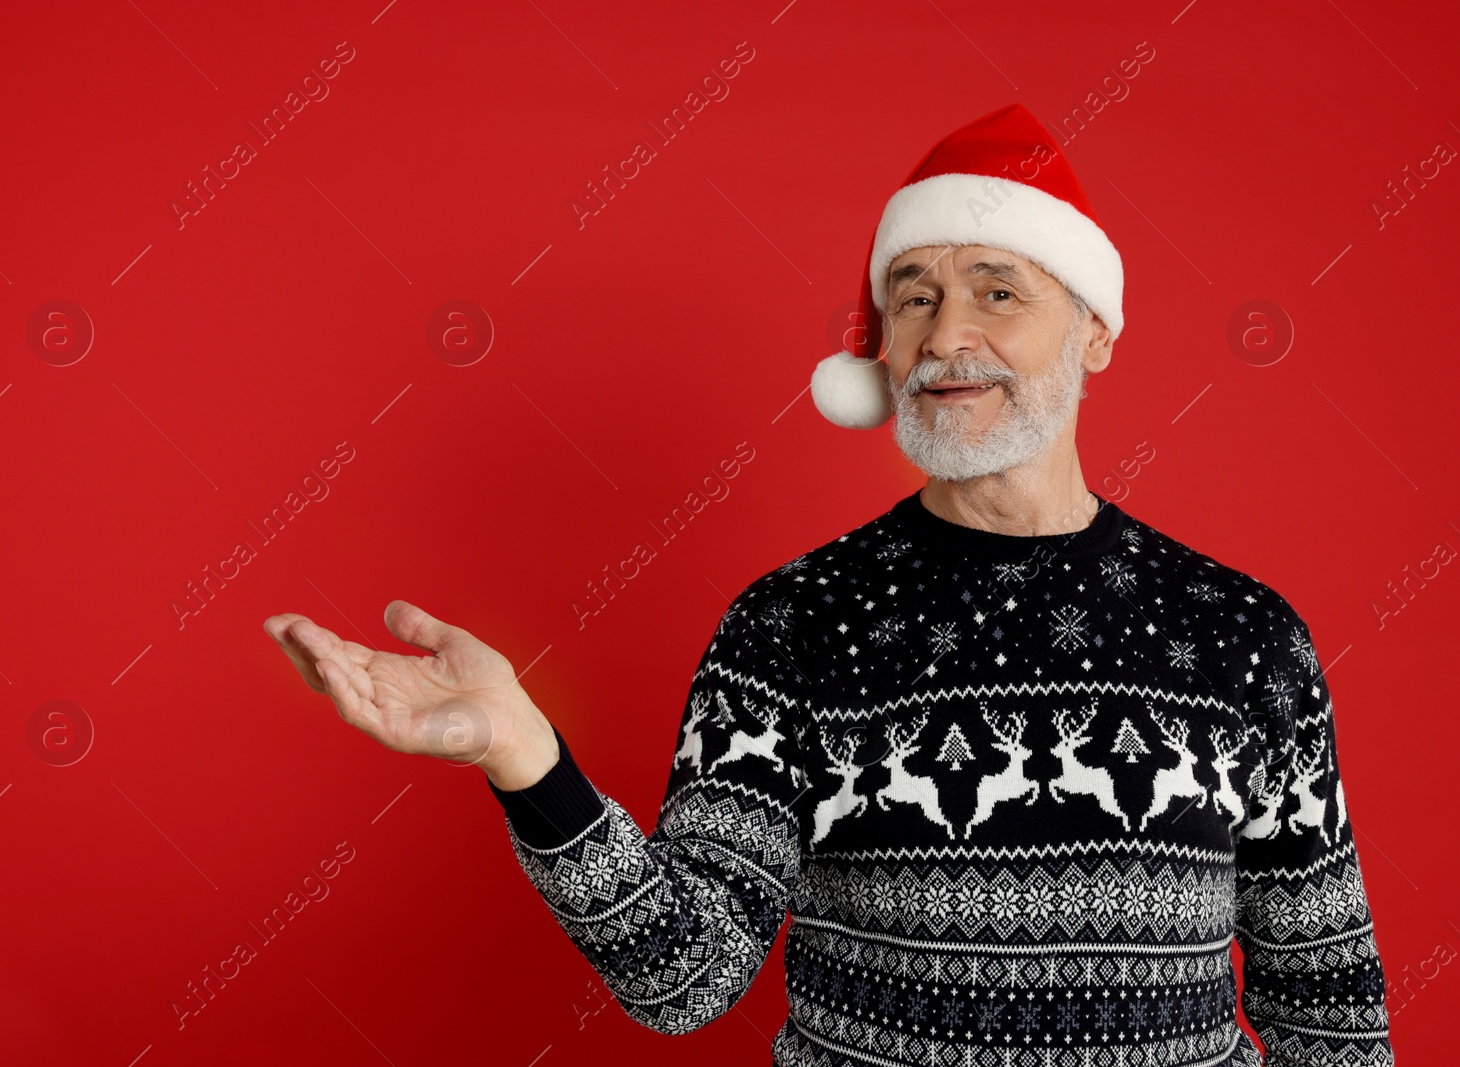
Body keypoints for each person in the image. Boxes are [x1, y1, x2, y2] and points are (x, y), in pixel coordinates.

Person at [264, 103, 1394, 1065]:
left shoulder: (1243, 632)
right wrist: (525, 758)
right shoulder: (791, 623)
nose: (947, 334)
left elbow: (1325, 997)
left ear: (1094, 333)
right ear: (879, 347)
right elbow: (687, 976)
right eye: (910, 296)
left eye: (998, 292)